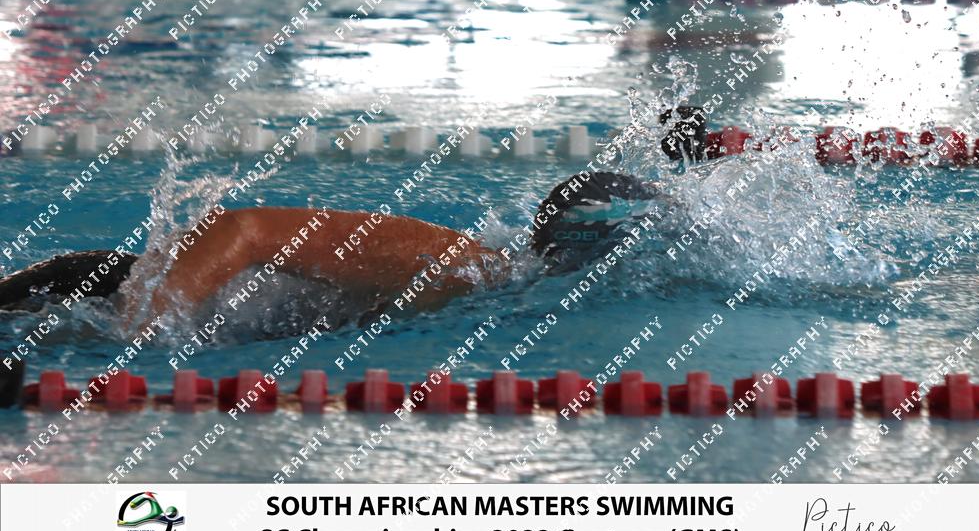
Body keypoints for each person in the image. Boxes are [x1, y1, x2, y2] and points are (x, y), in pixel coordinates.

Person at [0, 172, 665, 326]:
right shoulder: (458, 266)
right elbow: (238, 229)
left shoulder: (500, 290)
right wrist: (142, 331)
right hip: (99, 294)